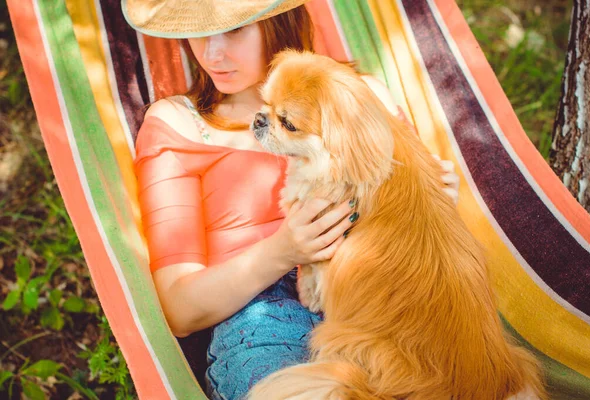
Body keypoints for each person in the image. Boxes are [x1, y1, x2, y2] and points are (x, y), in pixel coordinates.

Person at [123, 1, 460, 399]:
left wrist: (434, 203)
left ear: (277, 21)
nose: (212, 54)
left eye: (233, 31)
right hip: (263, 314)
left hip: (381, 296)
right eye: (198, 32)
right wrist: (284, 251)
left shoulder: (358, 96)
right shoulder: (179, 123)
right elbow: (179, 310)